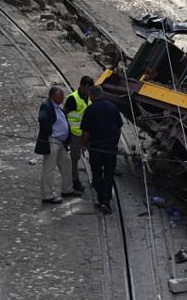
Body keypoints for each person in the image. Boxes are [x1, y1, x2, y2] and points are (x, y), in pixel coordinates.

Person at [80, 85, 123, 214]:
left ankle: (102, 199)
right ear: (102, 94)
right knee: (109, 174)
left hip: (96, 149)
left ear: (92, 96)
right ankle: (106, 201)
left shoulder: (90, 110)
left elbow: (86, 133)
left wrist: (84, 145)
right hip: (110, 148)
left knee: (97, 173)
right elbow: (119, 128)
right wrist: (115, 143)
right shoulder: (113, 107)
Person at [34, 84, 79, 204]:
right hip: (52, 141)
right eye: (61, 96)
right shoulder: (46, 106)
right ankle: (47, 195)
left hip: (60, 142)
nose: (63, 98)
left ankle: (67, 189)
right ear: (54, 96)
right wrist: (50, 134)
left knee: (66, 164)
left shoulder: (56, 106)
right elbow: (43, 119)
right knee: (49, 169)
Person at [62, 75, 93, 192]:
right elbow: (64, 114)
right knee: (75, 158)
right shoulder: (72, 99)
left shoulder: (90, 97)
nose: (89, 91)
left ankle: (95, 178)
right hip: (75, 134)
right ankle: (75, 181)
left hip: (88, 133)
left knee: (94, 154)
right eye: (88, 88)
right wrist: (66, 133)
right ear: (82, 86)